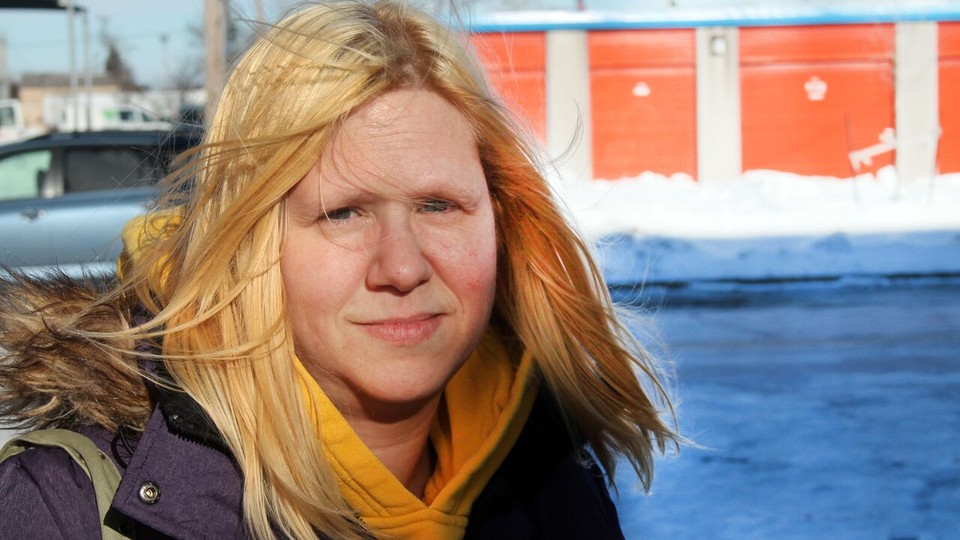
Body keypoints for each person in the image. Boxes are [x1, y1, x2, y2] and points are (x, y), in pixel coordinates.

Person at [0, 1, 680, 538]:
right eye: (344, 213)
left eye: (440, 205)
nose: (403, 266)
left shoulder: (554, 481)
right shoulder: (59, 512)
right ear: (253, 246)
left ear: (501, 220)